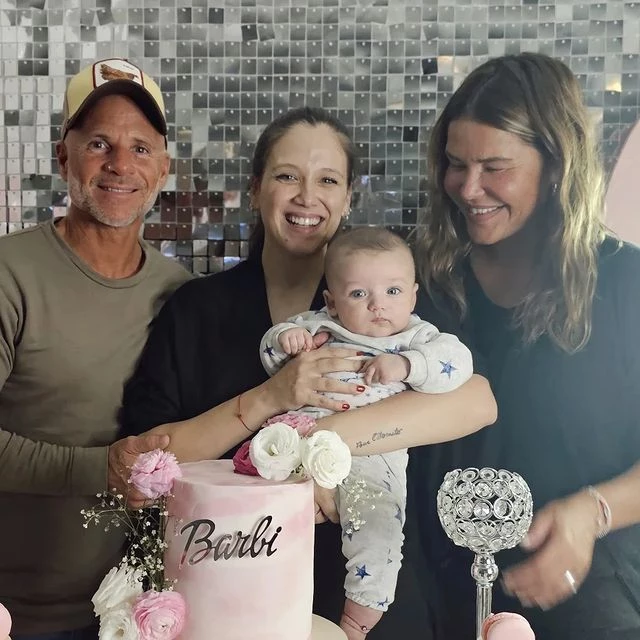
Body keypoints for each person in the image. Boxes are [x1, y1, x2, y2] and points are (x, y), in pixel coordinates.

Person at [120, 105, 497, 637]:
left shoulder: (394, 302)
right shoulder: (196, 309)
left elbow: (477, 401)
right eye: (286, 176)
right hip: (234, 595)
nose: (306, 196)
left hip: (375, 594)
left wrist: (320, 448)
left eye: (327, 180)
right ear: (256, 189)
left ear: (348, 199)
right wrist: (273, 397)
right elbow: (153, 460)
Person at [409, 51, 640, 639]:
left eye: (495, 167)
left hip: (589, 596)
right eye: (456, 164)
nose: (468, 188)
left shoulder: (625, 284)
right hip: (434, 599)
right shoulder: (418, 283)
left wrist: (593, 512)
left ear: (556, 165)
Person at [0, 58, 191, 639]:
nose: (120, 165)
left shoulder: (180, 293)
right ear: (64, 157)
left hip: (143, 611)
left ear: (163, 168)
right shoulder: (10, 273)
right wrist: (100, 470)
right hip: (18, 615)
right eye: (99, 144)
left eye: (140, 148)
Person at [260, 226, 473, 638]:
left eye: (393, 291)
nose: (378, 305)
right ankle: (263, 605)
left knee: (378, 532)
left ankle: (356, 624)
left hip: (374, 458)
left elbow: (458, 363)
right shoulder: (321, 326)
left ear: (412, 296)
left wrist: (408, 365)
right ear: (332, 301)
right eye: (359, 294)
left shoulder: (417, 338)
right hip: (298, 446)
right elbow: (270, 356)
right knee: (264, 521)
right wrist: (287, 338)